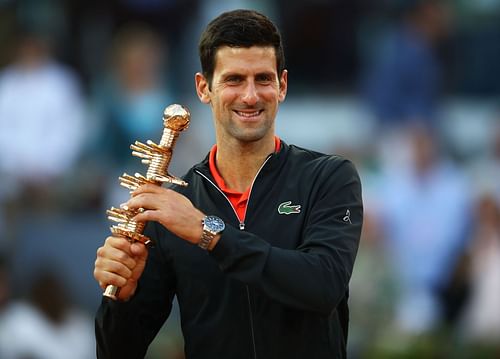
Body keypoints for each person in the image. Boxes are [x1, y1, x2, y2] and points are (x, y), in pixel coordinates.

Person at [94, 9, 363, 359]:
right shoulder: (172, 210)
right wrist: (122, 297)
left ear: (282, 85)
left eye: (263, 79)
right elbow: (117, 351)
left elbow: (323, 285)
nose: (250, 96)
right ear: (204, 88)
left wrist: (208, 232)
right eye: (234, 79)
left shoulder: (328, 177)